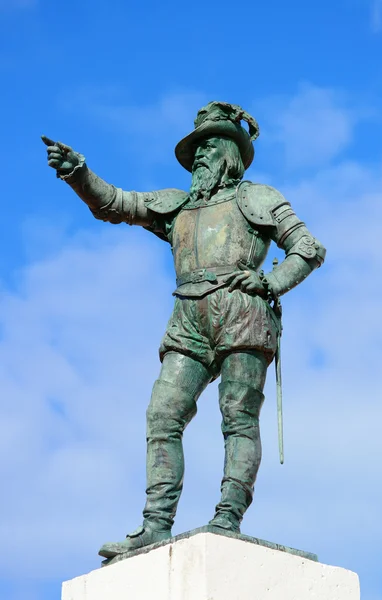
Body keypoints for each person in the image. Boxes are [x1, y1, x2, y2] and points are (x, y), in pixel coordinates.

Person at [42, 101, 326, 560]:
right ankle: (156, 524)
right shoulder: (178, 206)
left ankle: (227, 515)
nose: (198, 154)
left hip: (242, 311)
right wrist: (78, 174)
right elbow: (115, 204)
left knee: (237, 418)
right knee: (163, 414)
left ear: (230, 152)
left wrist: (271, 281)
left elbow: (308, 248)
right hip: (188, 316)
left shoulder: (259, 198)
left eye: (208, 145)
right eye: (195, 147)